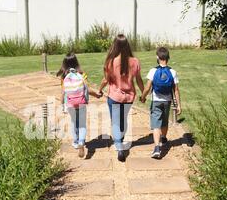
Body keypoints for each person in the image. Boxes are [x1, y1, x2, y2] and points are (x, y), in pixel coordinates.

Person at [98, 34, 144, 162]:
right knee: (123, 120)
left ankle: (119, 146)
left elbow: (106, 80)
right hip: (129, 97)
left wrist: (99, 90)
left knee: (115, 122)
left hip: (114, 96)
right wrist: (143, 93)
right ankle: (121, 140)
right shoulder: (135, 61)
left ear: (115, 46)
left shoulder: (111, 62)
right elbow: (139, 80)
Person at [140, 47, 181, 159]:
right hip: (167, 101)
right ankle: (164, 138)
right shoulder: (173, 72)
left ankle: (157, 148)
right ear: (168, 58)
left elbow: (148, 87)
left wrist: (143, 97)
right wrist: (178, 105)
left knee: (156, 125)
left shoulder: (153, 71)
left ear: (157, 58)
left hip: (156, 101)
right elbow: (176, 90)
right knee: (164, 122)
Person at [58, 52, 100, 158]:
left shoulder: (64, 76)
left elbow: (63, 92)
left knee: (73, 122)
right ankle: (82, 141)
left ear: (64, 63)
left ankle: (76, 143)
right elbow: (87, 89)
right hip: (81, 102)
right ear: (76, 62)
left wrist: (62, 105)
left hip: (70, 103)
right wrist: (96, 95)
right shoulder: (81, 74)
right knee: (82, 124)